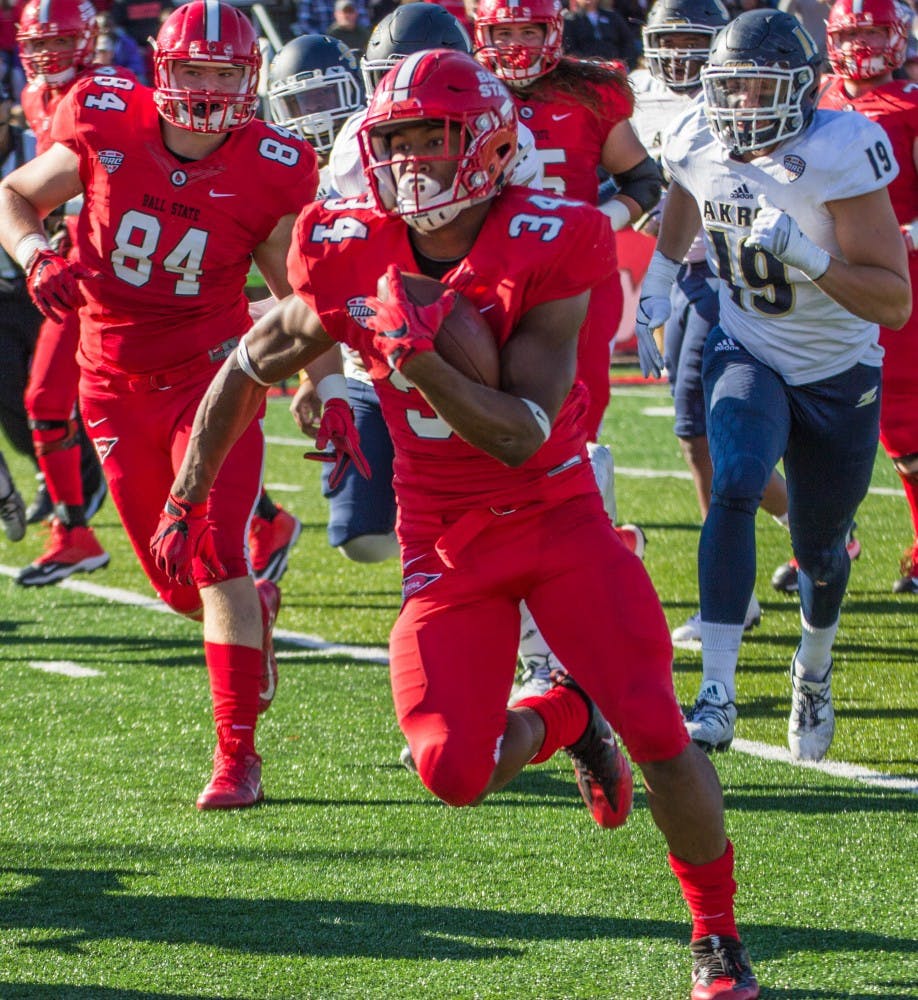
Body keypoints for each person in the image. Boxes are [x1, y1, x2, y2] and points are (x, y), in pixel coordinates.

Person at [155, 49, 761, 1000]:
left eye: (430, 140)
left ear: (481, 140)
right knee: (450, 771)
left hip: (557, 519)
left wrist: (419, 359)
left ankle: (716, 934)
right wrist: (189, 492)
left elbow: (522, 432)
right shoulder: (346, 240)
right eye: (392, 142)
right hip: (442, 544)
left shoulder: (556, 234)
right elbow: (250, 361)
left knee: (660, 733)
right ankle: (566, 713)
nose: (410, 164)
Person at [0, 0, 321, 809]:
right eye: (193, 70)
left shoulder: (273, 162)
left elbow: (296, 289)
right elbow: (14, 197)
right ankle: (258, 605)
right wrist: (37, 254)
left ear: (248, 80)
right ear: (160, 69)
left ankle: (236, 755)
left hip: (217, 378)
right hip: (110, 380)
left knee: (212, 554)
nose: (208, 88)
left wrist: (324, 382)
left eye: (223, 73)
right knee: (181, 585)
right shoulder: (107, 117)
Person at [636, 9, 910, 759]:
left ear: (801, 89)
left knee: (822, 553)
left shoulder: (841, 150)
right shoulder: (696, 134)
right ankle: (716, 690)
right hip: (747, 347)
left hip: (838, 371)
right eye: (732, 90)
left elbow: (895, 301)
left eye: (761, 90)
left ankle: (812, 665)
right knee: (736, 480)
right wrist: (658, 280)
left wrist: (811, 259)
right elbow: (683, 198)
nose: (743, 107)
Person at [475, 0, 661, 697]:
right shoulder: (465, 86)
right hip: (487, 285)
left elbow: (644, 181)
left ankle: (567, 615)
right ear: (481, 34)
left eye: (530, 30)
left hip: (571, 287)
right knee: (493, 454)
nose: (518, 44)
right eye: (506, 31)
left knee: (562, 444)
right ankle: (601, 563)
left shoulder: (592, 92)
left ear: (553, 33)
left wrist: (589, 224)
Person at [632, 0, 790, 645]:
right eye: (667, 41)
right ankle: (807, 530)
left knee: (703, 425)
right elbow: (638, 180)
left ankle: (746, 584)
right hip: (684, 273)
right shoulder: (633, 94)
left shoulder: (742, 95)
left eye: (693, 42)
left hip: (731, 275)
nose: (679, 56)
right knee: (694, 433)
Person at [819, 0, 918, 594]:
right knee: (813, 421)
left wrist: (907, 235)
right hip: (820, 278)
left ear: (897, 36)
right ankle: (826, 544)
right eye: (850, 32)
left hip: (893, 275)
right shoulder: (817, 98)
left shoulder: (910, 107)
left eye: (871, 31)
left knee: (905, 425)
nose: (860, 44)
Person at [15, 0, 115, 586]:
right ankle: (72, 531)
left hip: (114, 268)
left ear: (87, 39)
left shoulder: (107, 93)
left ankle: (263, 519)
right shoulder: (34, 99)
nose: (48, 56)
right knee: (45, 402)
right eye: (37, 44)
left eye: (61, 42)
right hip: (68, 268)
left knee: (150, 409)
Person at [562, 0, 636, 66]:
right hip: (585, 70)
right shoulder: (569, 20)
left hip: (614, 67)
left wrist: (624, 62)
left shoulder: (613, 17)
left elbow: (627, 41)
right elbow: (569, 48)